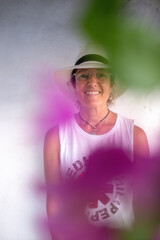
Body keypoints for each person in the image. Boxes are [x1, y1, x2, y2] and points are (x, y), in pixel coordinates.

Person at [44, 45, 150, 239]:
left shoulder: (135, 136)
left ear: (112, 85)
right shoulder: (56, 136)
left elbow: (144, 202)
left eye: (101, 75)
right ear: (74, 85)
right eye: (84, 76)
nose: (92, 82)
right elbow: (54, 201)